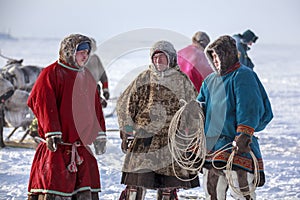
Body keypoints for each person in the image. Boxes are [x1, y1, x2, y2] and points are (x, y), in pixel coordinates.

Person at [116, 40, 200, 200]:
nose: (158, 61)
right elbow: (125, 102)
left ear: (171, 58)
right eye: (155, 57)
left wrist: (192, 135)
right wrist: (126, 129)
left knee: (168, 186)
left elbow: (193, 109)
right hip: (145, 139)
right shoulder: (144, 78)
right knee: (135, 185)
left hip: (172, 141)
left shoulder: (182, 81)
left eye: (162, 57)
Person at [27, 34, 107, 200]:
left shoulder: (87, 77)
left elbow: (96, 109)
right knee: (55, 191)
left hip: (81, 151)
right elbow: (42, 103)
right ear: (70, 52)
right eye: (81, 52)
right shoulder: (51, 73)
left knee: (85, 192)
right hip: (56, 148)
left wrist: (99, 135)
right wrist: (52, 132)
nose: (85, 56)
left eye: (87, 52)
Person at [197, 35, 273, 199]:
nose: (215, 60)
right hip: (213, 145)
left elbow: (248, 108)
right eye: (213, 57)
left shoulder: (243, 76)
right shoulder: (210, 80)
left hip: (237, 145)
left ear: (228, 55)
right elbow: (200, 105)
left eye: (218, 56)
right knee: (213, 191)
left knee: (241, 189)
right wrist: (192, 113)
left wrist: (243, 135)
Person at [85, 37, 110, 107]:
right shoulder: (80, 61)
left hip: (96, 89)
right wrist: (99, 100)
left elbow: (103, 76)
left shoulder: (95, 58)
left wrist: (105, 90)